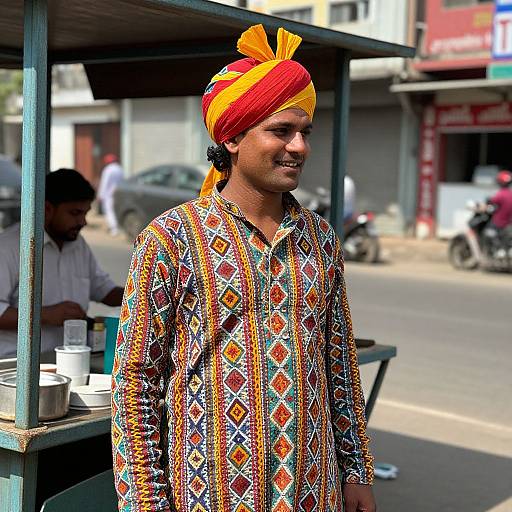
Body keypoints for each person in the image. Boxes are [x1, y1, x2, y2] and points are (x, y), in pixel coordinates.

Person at [112, 24, 375, 512]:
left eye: (305, 132)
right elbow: (135, 384)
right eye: (281, 131)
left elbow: (338, 368)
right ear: (232, 137)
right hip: (210, 498)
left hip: (312, 493)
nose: (299, 146)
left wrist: (357, 472)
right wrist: (146, 504)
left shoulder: (321, 239)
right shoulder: (171, 238)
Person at [0, 168, 124, 361]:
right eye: (75, 213)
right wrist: (45, 315)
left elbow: (103, 289)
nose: (82, 222)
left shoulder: (78, 245)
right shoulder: (9, 247)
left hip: (71, 359)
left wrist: (140, 296)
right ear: (47, 209)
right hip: (16, 365)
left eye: (85, 213)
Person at [98, 153, 124, 236]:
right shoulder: (119, 169)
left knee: (109, 211)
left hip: (108, 194)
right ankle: (117, 227)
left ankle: (114, 228)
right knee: (116, 210)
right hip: (118, 193)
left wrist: (100, 195)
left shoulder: (108, 169)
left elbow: (104, 183)